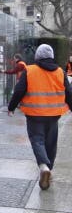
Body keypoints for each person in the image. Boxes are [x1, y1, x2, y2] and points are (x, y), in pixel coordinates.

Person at [7, 44, 72, 190]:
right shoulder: (61, 72)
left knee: (37, 140)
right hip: (54, 115)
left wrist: (11, 107)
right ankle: (49, 168)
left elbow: (19, 90)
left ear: (37, 56)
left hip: (34, 114)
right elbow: (69, 93)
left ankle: (44, 167)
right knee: (51, 143)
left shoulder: (29, 71)